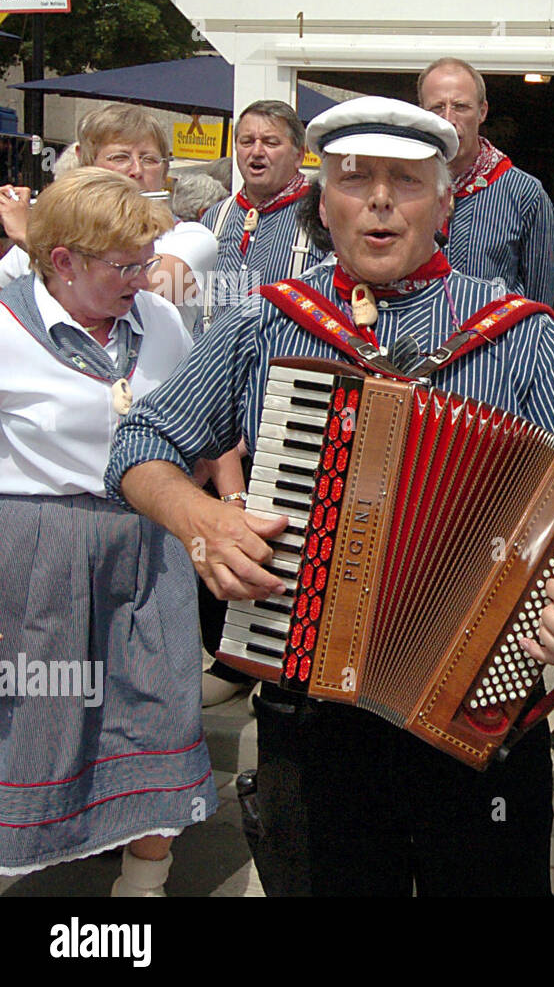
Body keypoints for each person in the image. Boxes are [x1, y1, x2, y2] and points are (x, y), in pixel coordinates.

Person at [107, 96, 554, 897]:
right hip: (313, 726)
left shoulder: (519, 334)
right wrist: (200, 519)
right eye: (355, 178)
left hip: (475, 712)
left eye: (407, 181)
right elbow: (140, 444)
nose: (380, 199)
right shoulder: (262, 323)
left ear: (446, 201)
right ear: (323, 201)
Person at [0, 169, 218, 894]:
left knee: (159, 708)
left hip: (150, 544)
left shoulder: (158, 318)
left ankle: (142, 889)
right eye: (124, 265)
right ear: (62, 260)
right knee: (37, 718)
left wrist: (231, 507)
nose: (141, 277)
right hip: (39, 552)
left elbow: (202, 423)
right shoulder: (3, 327)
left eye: (145, 259)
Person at [0, 104, 218, 322]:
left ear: (164, 172)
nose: (136, 171)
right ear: (86, 163)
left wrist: (30, 238)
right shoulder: (53, 236)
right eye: (120, 158)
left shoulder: (191, 237)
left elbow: (145, 290)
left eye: (149, 159)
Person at [417, 58, 554, 306]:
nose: (448, 119)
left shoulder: (524, 194)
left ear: (482, 112)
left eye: (460, 106)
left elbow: (539, 305)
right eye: (437, 108)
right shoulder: (402, 188)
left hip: (493, 343)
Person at [199, 100, 328, 333]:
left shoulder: (323, 216)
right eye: (247, 142)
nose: (256, 152)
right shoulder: (214, 218)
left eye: (270, 142)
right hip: (215, 363)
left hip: (283, 364)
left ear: (298, 155)